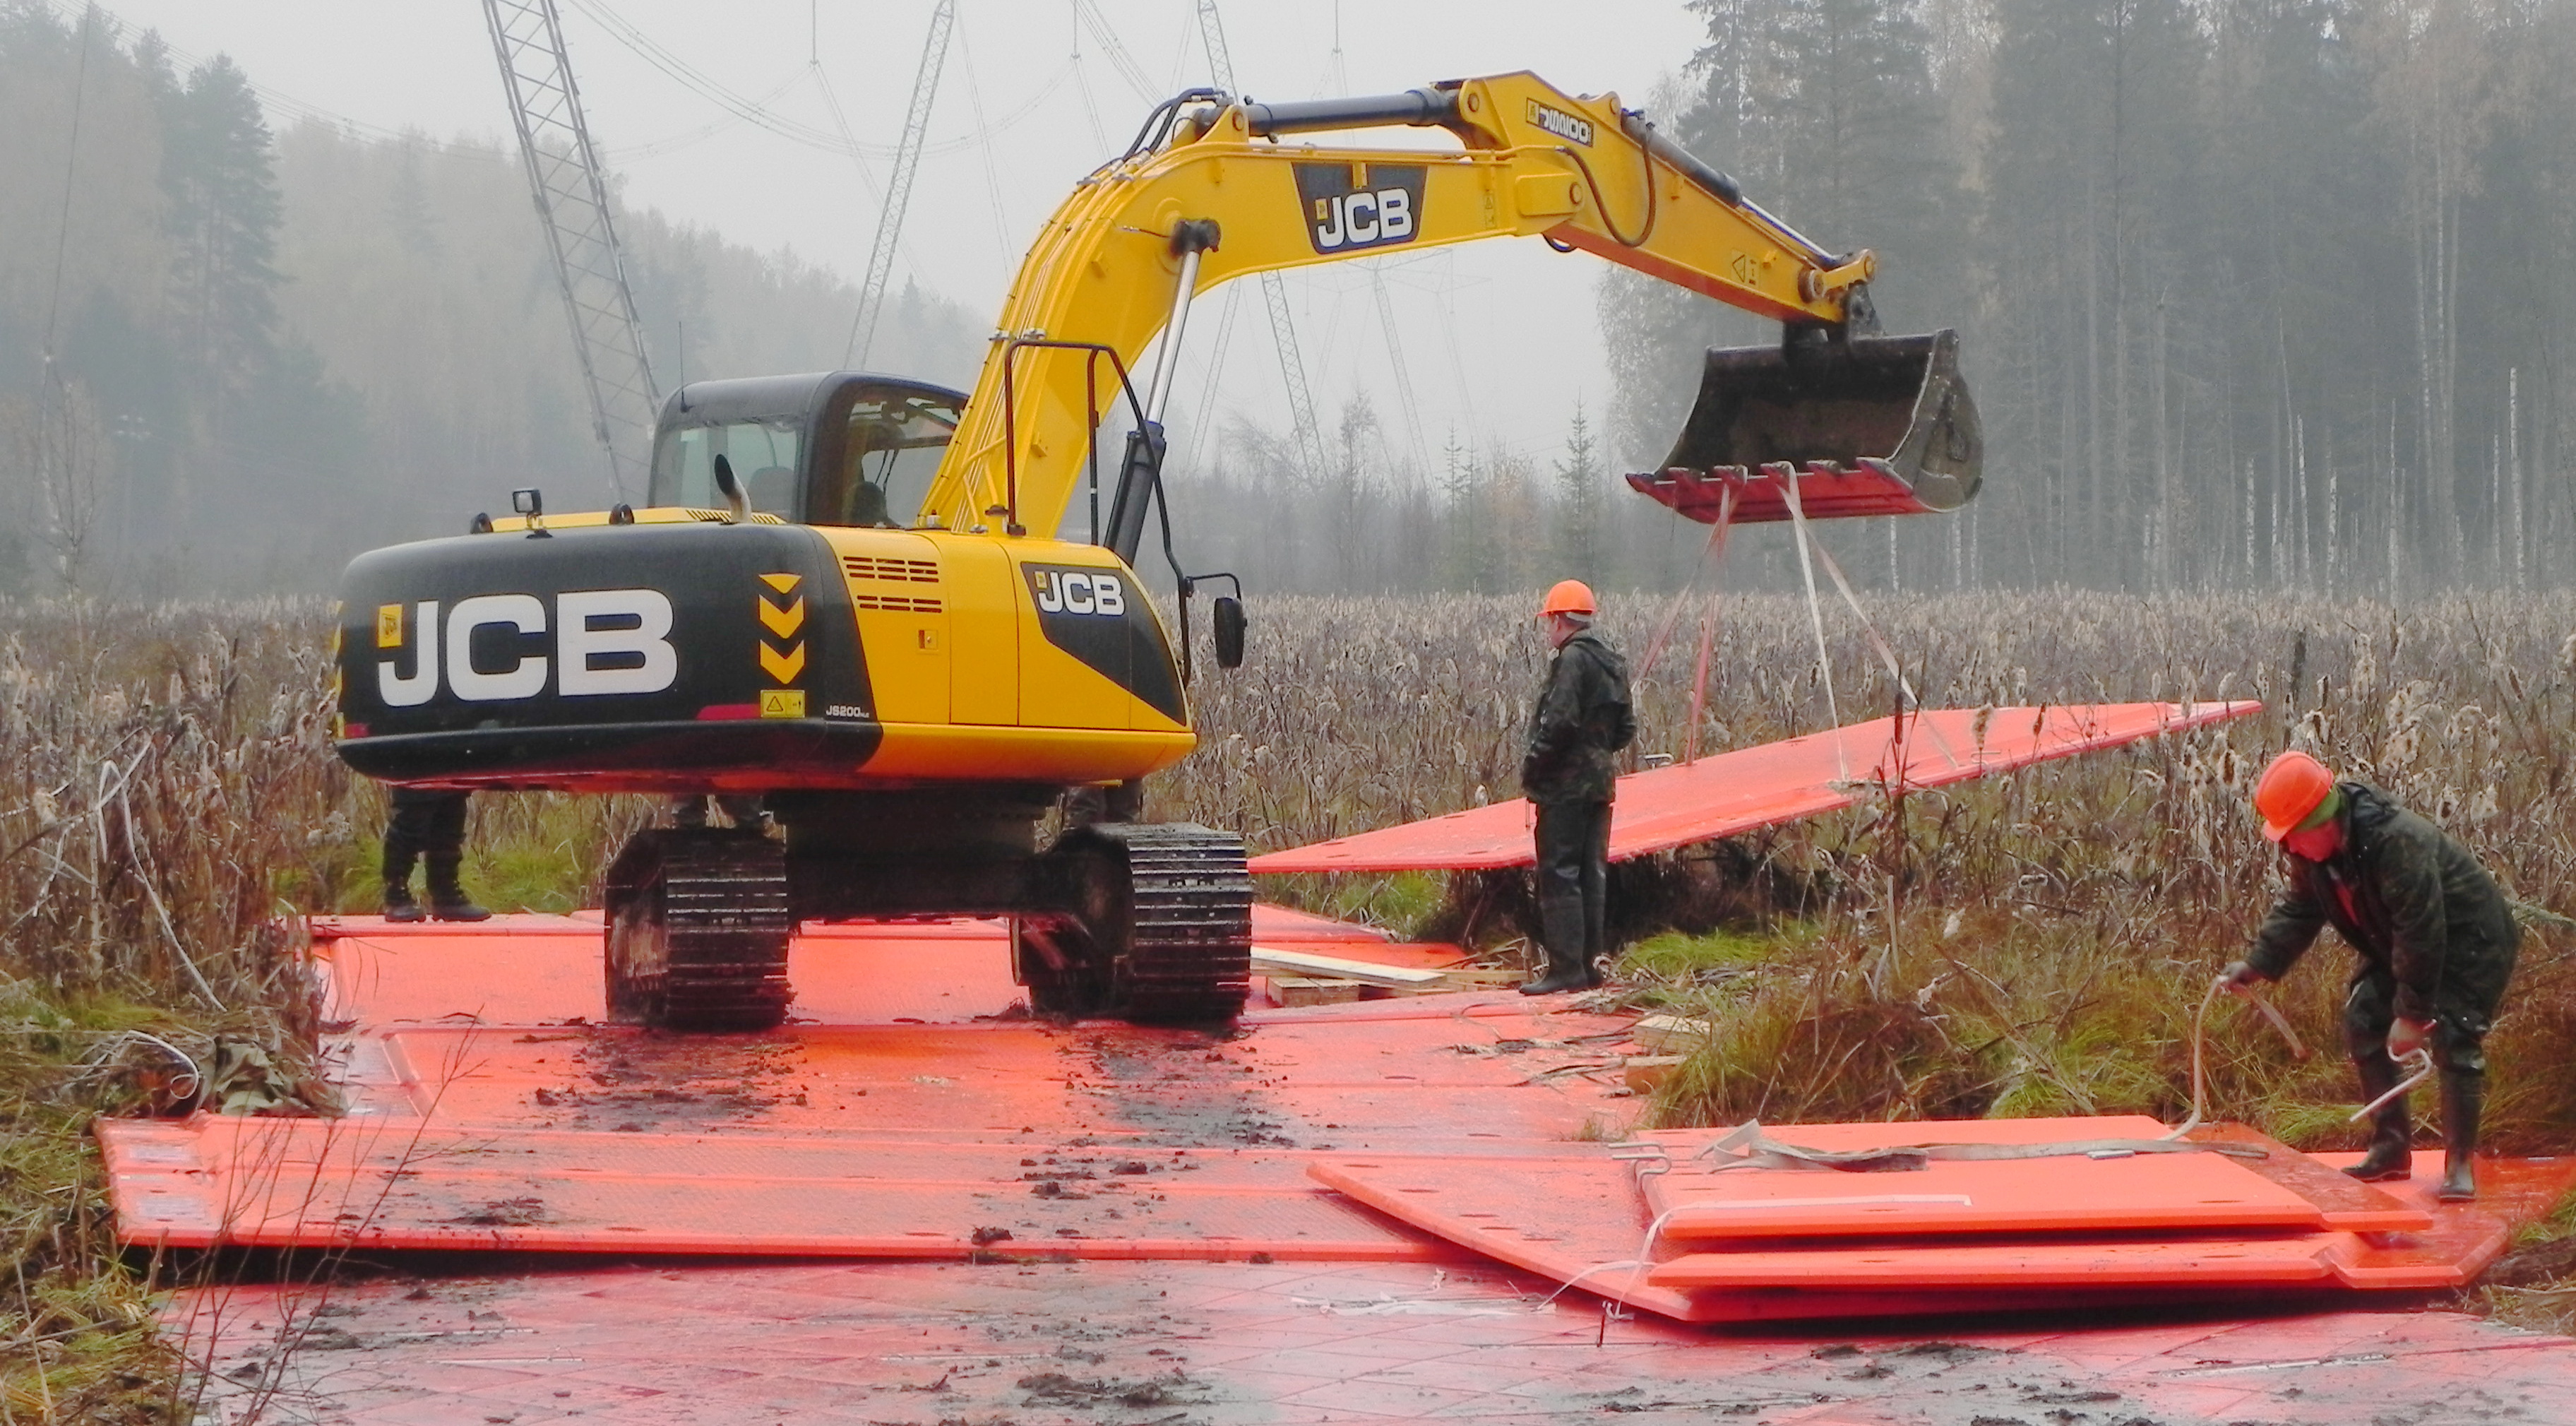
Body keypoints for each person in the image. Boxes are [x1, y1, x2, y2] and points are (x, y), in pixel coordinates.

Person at [2222, 750, 2519, 1201]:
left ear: (2321, 821)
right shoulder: (2315, 855)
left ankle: (2460, 1165)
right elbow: (2301, 908)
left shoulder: (2396, 842)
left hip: (2470, 941)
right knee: (2364, 1018)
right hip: (2403, 942)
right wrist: (2259, 963)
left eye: (2293, 836)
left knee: (2456, 1037)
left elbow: (2421, 927)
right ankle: (2391, 1148)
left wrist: (2413, 1014)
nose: (2288, 847)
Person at [1518, 580, 1635, 995]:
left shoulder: (1571, 661)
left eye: (1548, 620)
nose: (1547, 629)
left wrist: (1535, 766)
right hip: (1601, 785)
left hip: (1565, 787)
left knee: (1560, 873)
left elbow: (1559, 722)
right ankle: (1588, 967)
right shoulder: (1612, 662)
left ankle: (1565, 968)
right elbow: (1626, 729)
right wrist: (1597, 752)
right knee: (1591, 873)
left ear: (1558, 619)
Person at [382, 788, 491, 922]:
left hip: (449, 772)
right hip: (413, 772)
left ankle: (447, 895)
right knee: (411, 816)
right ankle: (396, 895)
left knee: (452, 810)